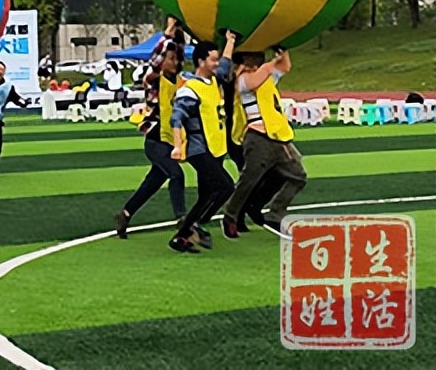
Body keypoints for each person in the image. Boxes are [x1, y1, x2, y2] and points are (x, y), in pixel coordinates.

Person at [222, 48, 306, 240]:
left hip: (278, 136)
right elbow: (255, 79)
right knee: (249, 180)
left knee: (298, 175)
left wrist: (282, 52)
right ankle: (230, 215)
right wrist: (271, 62)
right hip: (258, 137)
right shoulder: (242, 81)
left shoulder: (266, 77)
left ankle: (274, 214)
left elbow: (285, 67)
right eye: (249, 61)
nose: (253, 65)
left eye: (256, 60)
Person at [167, 32, 236, 254]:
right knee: (225, 186)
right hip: (199, 149)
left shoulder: (213, 80)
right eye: (212, 60)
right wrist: (177, 145)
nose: (217, 63)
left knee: (207, 195)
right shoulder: (189, 88)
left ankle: (181, 238)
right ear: (201, 62)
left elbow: (225, 65)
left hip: (215, 147)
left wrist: (230, 41)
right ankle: (199, 223)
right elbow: (176, 118)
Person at [115, 46, 186, 238]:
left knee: (152, 183)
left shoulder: (180, 83)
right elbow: (154, 63)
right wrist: (169, 34)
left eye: (176, 59)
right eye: (170, 58)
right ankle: (182, 219)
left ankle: (125, 213)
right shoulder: (155, 81)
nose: (174, 62)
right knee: (176, 175)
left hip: (169, 140)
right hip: (155, 140)